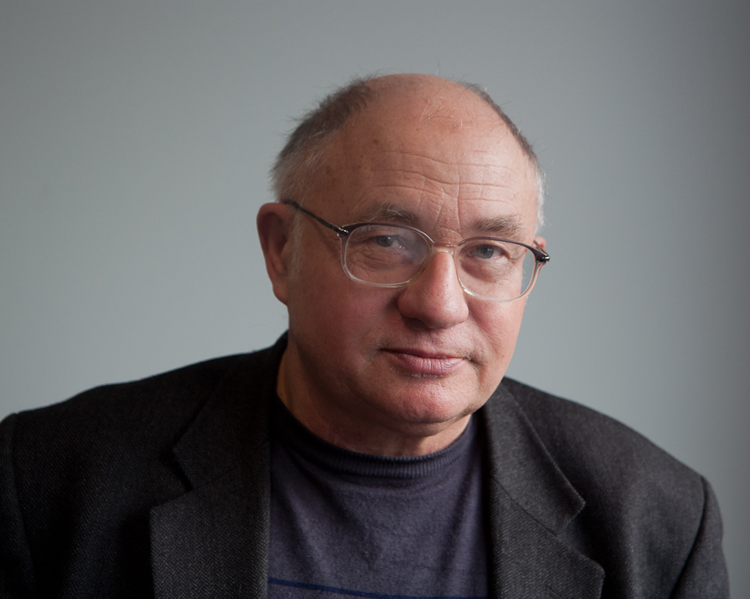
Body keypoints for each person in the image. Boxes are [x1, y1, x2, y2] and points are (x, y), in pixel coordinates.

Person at [0, 74, 729, 598]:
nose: (439, 305)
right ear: (281, 250)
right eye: (386, 240)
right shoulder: (45, 482)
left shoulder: (657, 520)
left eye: (488, 251)